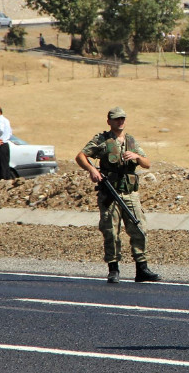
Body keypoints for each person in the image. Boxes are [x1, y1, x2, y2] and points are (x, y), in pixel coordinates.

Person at [75, 106, 161, 284]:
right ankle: (113, 268)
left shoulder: (131, 141)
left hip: (130, 193)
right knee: (111, 231)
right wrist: (92, 170)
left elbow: (147, 164)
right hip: (110, 192)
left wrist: (136, 156)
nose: (120, 121)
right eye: (116, 119)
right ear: (109, 121)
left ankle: (142, 268)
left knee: (139, 228)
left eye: (122, 118)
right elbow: (81, 156)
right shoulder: (102, 140)